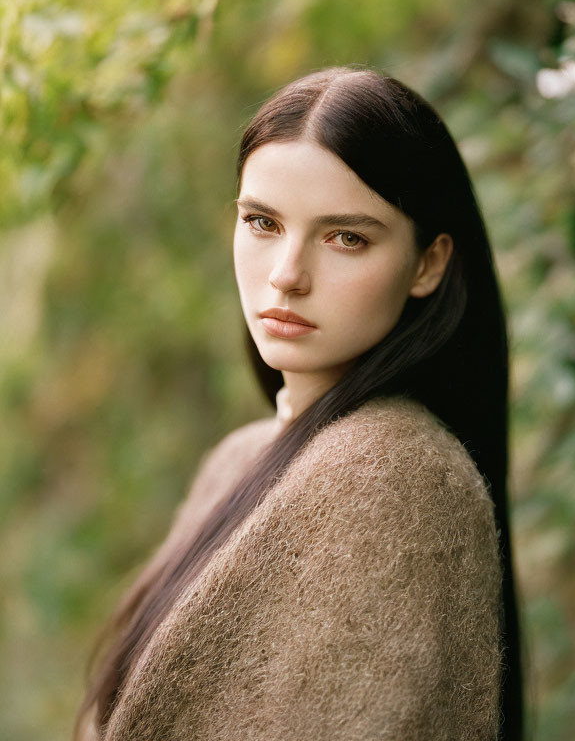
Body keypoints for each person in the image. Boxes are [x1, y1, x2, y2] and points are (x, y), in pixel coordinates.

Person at [74, 66, 524, 740]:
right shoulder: (239, 460)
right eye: (262, 222)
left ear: (429, 263)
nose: (287, 274)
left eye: (347, 237)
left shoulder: (399, 476)